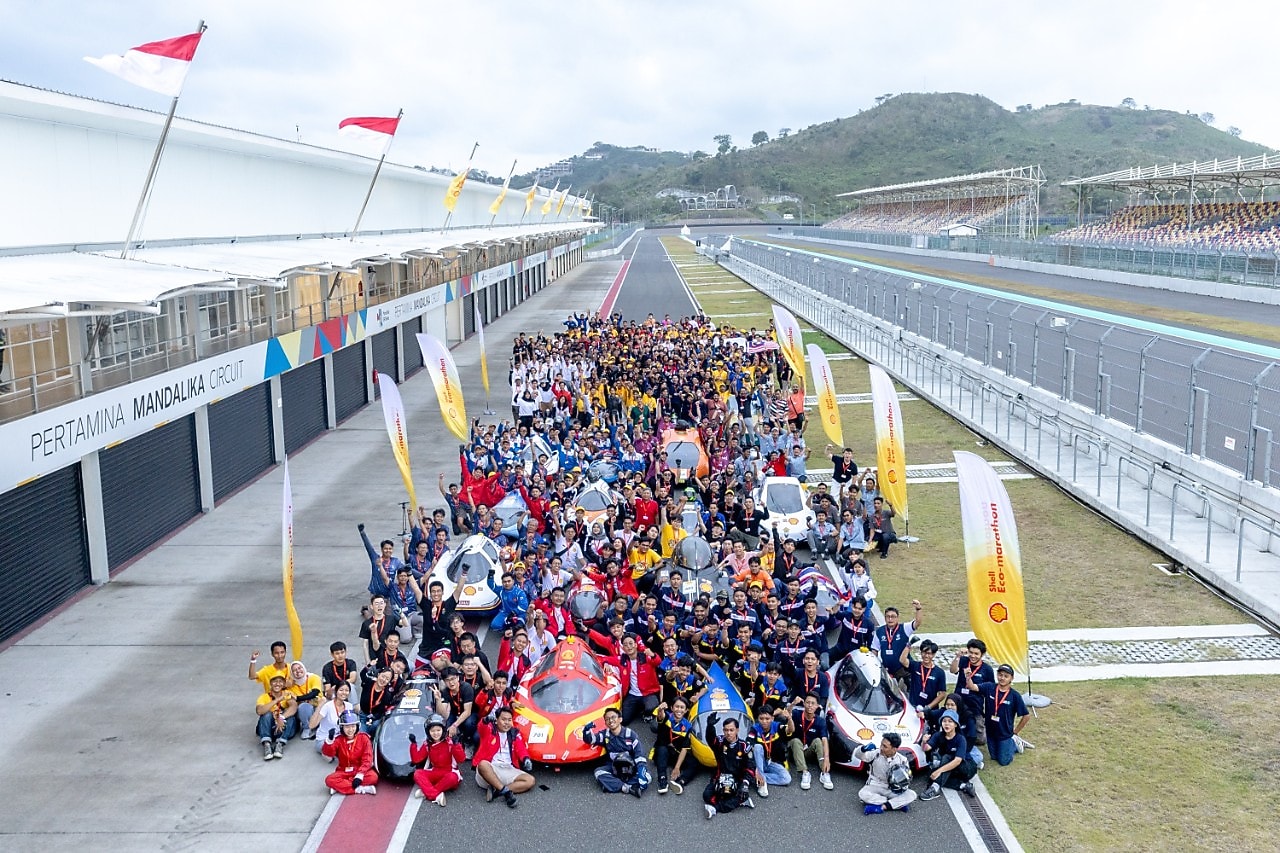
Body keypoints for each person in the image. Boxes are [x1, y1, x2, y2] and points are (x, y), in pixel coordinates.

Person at [473, 707, 536, 807]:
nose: (506, 723)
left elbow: (521, 749)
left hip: (508, 768)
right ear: (496, 720)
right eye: (503, 719)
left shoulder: (515, 733)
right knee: (482, 765)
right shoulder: (489, 729)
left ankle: (498, 790)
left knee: (530, 780)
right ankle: (507, 793)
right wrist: (485, 720)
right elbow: (481, 726)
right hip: (491, 768)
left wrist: (526, 759)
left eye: (509, 720)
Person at [970, 663, 1030, 766]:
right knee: (993, 757)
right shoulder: (989, 687)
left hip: (1005, 734)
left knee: (1003, 761)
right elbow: (972, 687)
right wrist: (968, 676)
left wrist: (1015, 731)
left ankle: (1015, 743)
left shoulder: (1014, 696)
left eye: (1006, 676)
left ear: (1012, 678)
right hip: (991, 731)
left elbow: (1026, 715)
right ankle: (1007, 745)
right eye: (1000, 675)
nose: (1002, 678)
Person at [582, 707, 650, 797]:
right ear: (605, 723)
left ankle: (612, 785)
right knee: (598, 773)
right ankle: (628, 788)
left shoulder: (631, 735)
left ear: (620, 719)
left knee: (647, 777)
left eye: (613, 717)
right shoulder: (605, 735)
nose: (610, 721)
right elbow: (591, 740)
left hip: (630, 767)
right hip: (613, 767)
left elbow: (639, 755)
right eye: (607, 719)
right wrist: (586, 731)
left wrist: (641, 770)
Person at [701, 716, 755, 819]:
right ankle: (739, 802)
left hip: (738, 779)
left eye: (731, 730)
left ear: (737, 730)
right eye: (726, 730)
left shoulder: (744, 747)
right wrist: (710, 726)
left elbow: (750, 767)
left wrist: (745, 783)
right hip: (719, 777)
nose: (728, 733)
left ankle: (715, 809)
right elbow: (710, 739)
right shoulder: (720, 742)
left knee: (740, 794)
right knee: (706, 796)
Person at [410, 714, 466, 806]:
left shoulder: (450, 742)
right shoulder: (427, 744)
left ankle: (427, 792)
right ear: (428, 732)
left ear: (443, 730)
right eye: (432, 731)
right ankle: (435, 795)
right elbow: (416, 759)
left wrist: (456, 745)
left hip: (449, 772)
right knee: (417, 773)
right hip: (435, 771)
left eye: (438, 730)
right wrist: (413, 744)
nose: (436, 733)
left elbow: (461, 759)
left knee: (452, 778)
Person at [921, 709, 977, 800]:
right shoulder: (938, 735)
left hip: (966, 767)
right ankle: (963, 786)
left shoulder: (961, 739)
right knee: (931, 775)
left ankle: (935, 788)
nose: (946, 724)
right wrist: (924, 742)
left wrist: (939, 771)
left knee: (946, 758)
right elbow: (926, 748)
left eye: (950, 721)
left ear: (956, 724)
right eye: (944, 721)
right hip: (950, 767)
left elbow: (957, 761)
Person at [856, 732, 916, 814]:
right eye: (881, 744)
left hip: (893, 789)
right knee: (862, 794)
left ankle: (881, 807)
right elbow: (858, 755)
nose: (881, 748)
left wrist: (901, 785)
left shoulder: (902, 760)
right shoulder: (876, 753)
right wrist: (863, 749)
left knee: (911, 794)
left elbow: (906, 780)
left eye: (885, 746)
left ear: (894, 749)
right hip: (876, 785)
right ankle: (896, 804)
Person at [322, 710, 378, 795]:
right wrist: (329, 740)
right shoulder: (338, 739)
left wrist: (360, 775)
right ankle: (359, 789)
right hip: (343, 771)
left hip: (360, 770)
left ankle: (341, 787)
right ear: (342, 728)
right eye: (347, 727)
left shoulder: (364, 738)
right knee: (329, 780)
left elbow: (367, 759)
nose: (350, 730)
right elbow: (329, 754)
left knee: (373, 777)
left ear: (357, 726)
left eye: (353, 726)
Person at [951, 638, 994, 745]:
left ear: (982, 654)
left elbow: (990, 689)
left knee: (980, 739)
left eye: (976, 653)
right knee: (953, 729)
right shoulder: (964, 661)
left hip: (975, 706)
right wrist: (958, 657)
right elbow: (953, 670)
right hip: (959, 702)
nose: (973, 656)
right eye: (971, 652)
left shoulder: (987, 669)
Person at [787, 693, 833, 791]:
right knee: (795, 741)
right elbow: (787, 714)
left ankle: (824, 772)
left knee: (818, 740)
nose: (810, 705)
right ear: (804, 704)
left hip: (808, 751)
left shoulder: (820, 721)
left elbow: (824, 740)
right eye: (808, 702)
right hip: (795, 751)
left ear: (817, 706)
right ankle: (805, 772)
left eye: (813, 703)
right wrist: (793, 703)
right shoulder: (796, 714)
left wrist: (827, 759)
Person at [651, 696, 694, 795]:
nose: (679, 710)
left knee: (694, 762)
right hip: (661, 753)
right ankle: (662, 780)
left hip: (675, 754)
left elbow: (684, 748)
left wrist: (677, 767)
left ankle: (681, 782)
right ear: (672, 708)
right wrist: (661, 709)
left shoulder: (687, 726)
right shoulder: (667, 717)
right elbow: (660, 716)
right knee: (662, 748)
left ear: (686, 710)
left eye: (682, 707)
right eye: (677, 706)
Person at [747, 705, 791, 797]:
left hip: (772, 762)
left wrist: (789, 719)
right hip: (759, 763)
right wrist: (754, 767)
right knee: (757, 747)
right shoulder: (754, 729)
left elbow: (790, 730)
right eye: (761, 718)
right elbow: (748, 747)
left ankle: (758, 777)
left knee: (786, 779)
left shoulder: (777, 726)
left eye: (767, 718)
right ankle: (761, 784)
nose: (764, 721)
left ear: (772, 718)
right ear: (758, 719)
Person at [254, 675, 298, 760]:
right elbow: (259, 711)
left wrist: (281, 718)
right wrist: (277, 700)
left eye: (280, 681)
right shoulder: (264, 697)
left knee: (291, 717)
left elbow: (294, 707)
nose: (277, 684)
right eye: (275, 681)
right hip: (269, 728)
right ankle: (267, 745)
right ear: (270, 683)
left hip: (283, 728)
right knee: (266, 714)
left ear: (284, 684)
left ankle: (280, 744)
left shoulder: (288, 694)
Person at [308, 681, 356, 752]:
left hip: (341, 738)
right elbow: (311, 725)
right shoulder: (328, 706)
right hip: (325, 739)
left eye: (347, 690)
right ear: (336, 691)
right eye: (341, 690)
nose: (344, 693)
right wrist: (320, 705)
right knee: (340, 751)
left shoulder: (349, 706)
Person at [287, 661, 323, 739]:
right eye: (294, 670)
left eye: (299, 668)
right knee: (303, 707)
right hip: (306, 710)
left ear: (303, 668)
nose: (298, 671)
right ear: (292, 673)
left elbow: (315, 693)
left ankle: (320, 727)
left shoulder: (313, 677)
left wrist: (298, 698)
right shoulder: (291, 686)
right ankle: (307, 728)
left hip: (318, 706)